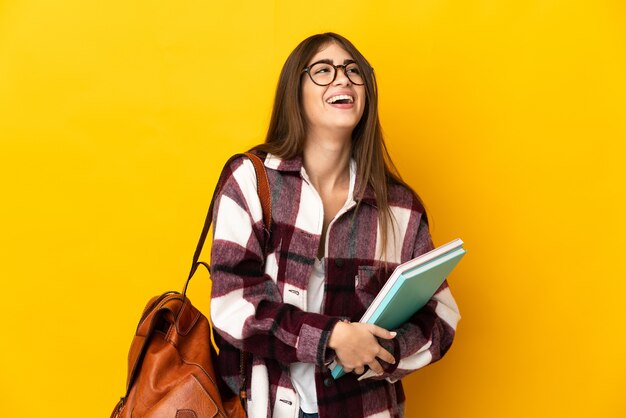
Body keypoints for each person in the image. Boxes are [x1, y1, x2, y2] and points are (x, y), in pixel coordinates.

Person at [209, 32, 460, 418]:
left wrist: (382, 350)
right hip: (265, 407)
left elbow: (441, 317)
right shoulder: (251, 181)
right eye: (324, 71)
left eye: (353, 71)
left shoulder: (401, 207)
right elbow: (231, 303)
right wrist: (333, 338)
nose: (342, 79)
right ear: (296, 92)